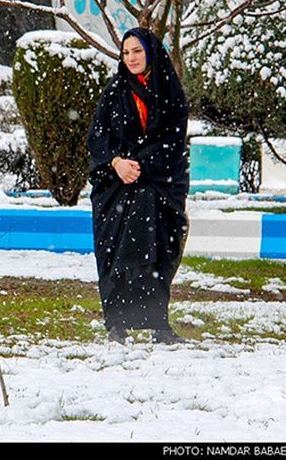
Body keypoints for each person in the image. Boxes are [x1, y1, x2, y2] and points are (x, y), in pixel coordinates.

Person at [86, 27, 189, 345]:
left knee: (157, 254)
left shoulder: (170, 91)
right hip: (116, 187)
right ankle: (116, 324)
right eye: (126, 52)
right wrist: (117, 163)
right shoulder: (115, 90)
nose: (130, 58)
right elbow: (97, 137)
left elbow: (172, 138)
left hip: (158, 185)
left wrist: (141, 166)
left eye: (137, 51)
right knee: (116, 254)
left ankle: (159, 325)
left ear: (151, 53)